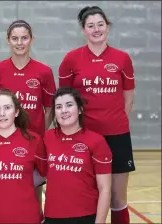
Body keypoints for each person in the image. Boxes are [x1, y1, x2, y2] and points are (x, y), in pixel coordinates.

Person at [58, 6, 135, 223]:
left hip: (117, 136)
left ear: (107, 27)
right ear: (83, 30)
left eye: (100, 24)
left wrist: (115, 121)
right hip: (85, 137)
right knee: (87, 196)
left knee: (118, 198)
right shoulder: (71, 59)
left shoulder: (122, 59)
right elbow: (64, 100)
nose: (96, 29)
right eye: (90, 26)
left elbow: (128, 98)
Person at [0, 19, 56, 216]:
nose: (19, 43)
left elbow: (50, 108)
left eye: (24, 38)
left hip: (33, 143)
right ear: (7, 40)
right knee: (6, 192)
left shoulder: (44, 71)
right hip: (3, 143)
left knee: (34, 195)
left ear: (32, 40)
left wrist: (39, 133)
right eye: (15, 38)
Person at [0, 89, 47, 223]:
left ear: (16, 111)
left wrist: (21, 184)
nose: (2, 113)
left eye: (7, 108)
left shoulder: (34, 139)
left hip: (27, 215)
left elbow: (43, 174)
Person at [43, 87, 112, 224]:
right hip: (52, 216)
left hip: (85, 216)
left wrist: (100, 222)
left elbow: (105, 189)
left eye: (69, 105)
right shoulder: (47, 138)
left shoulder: (96, 141)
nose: (64, 111)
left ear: (80, 109)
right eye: (58, 107)